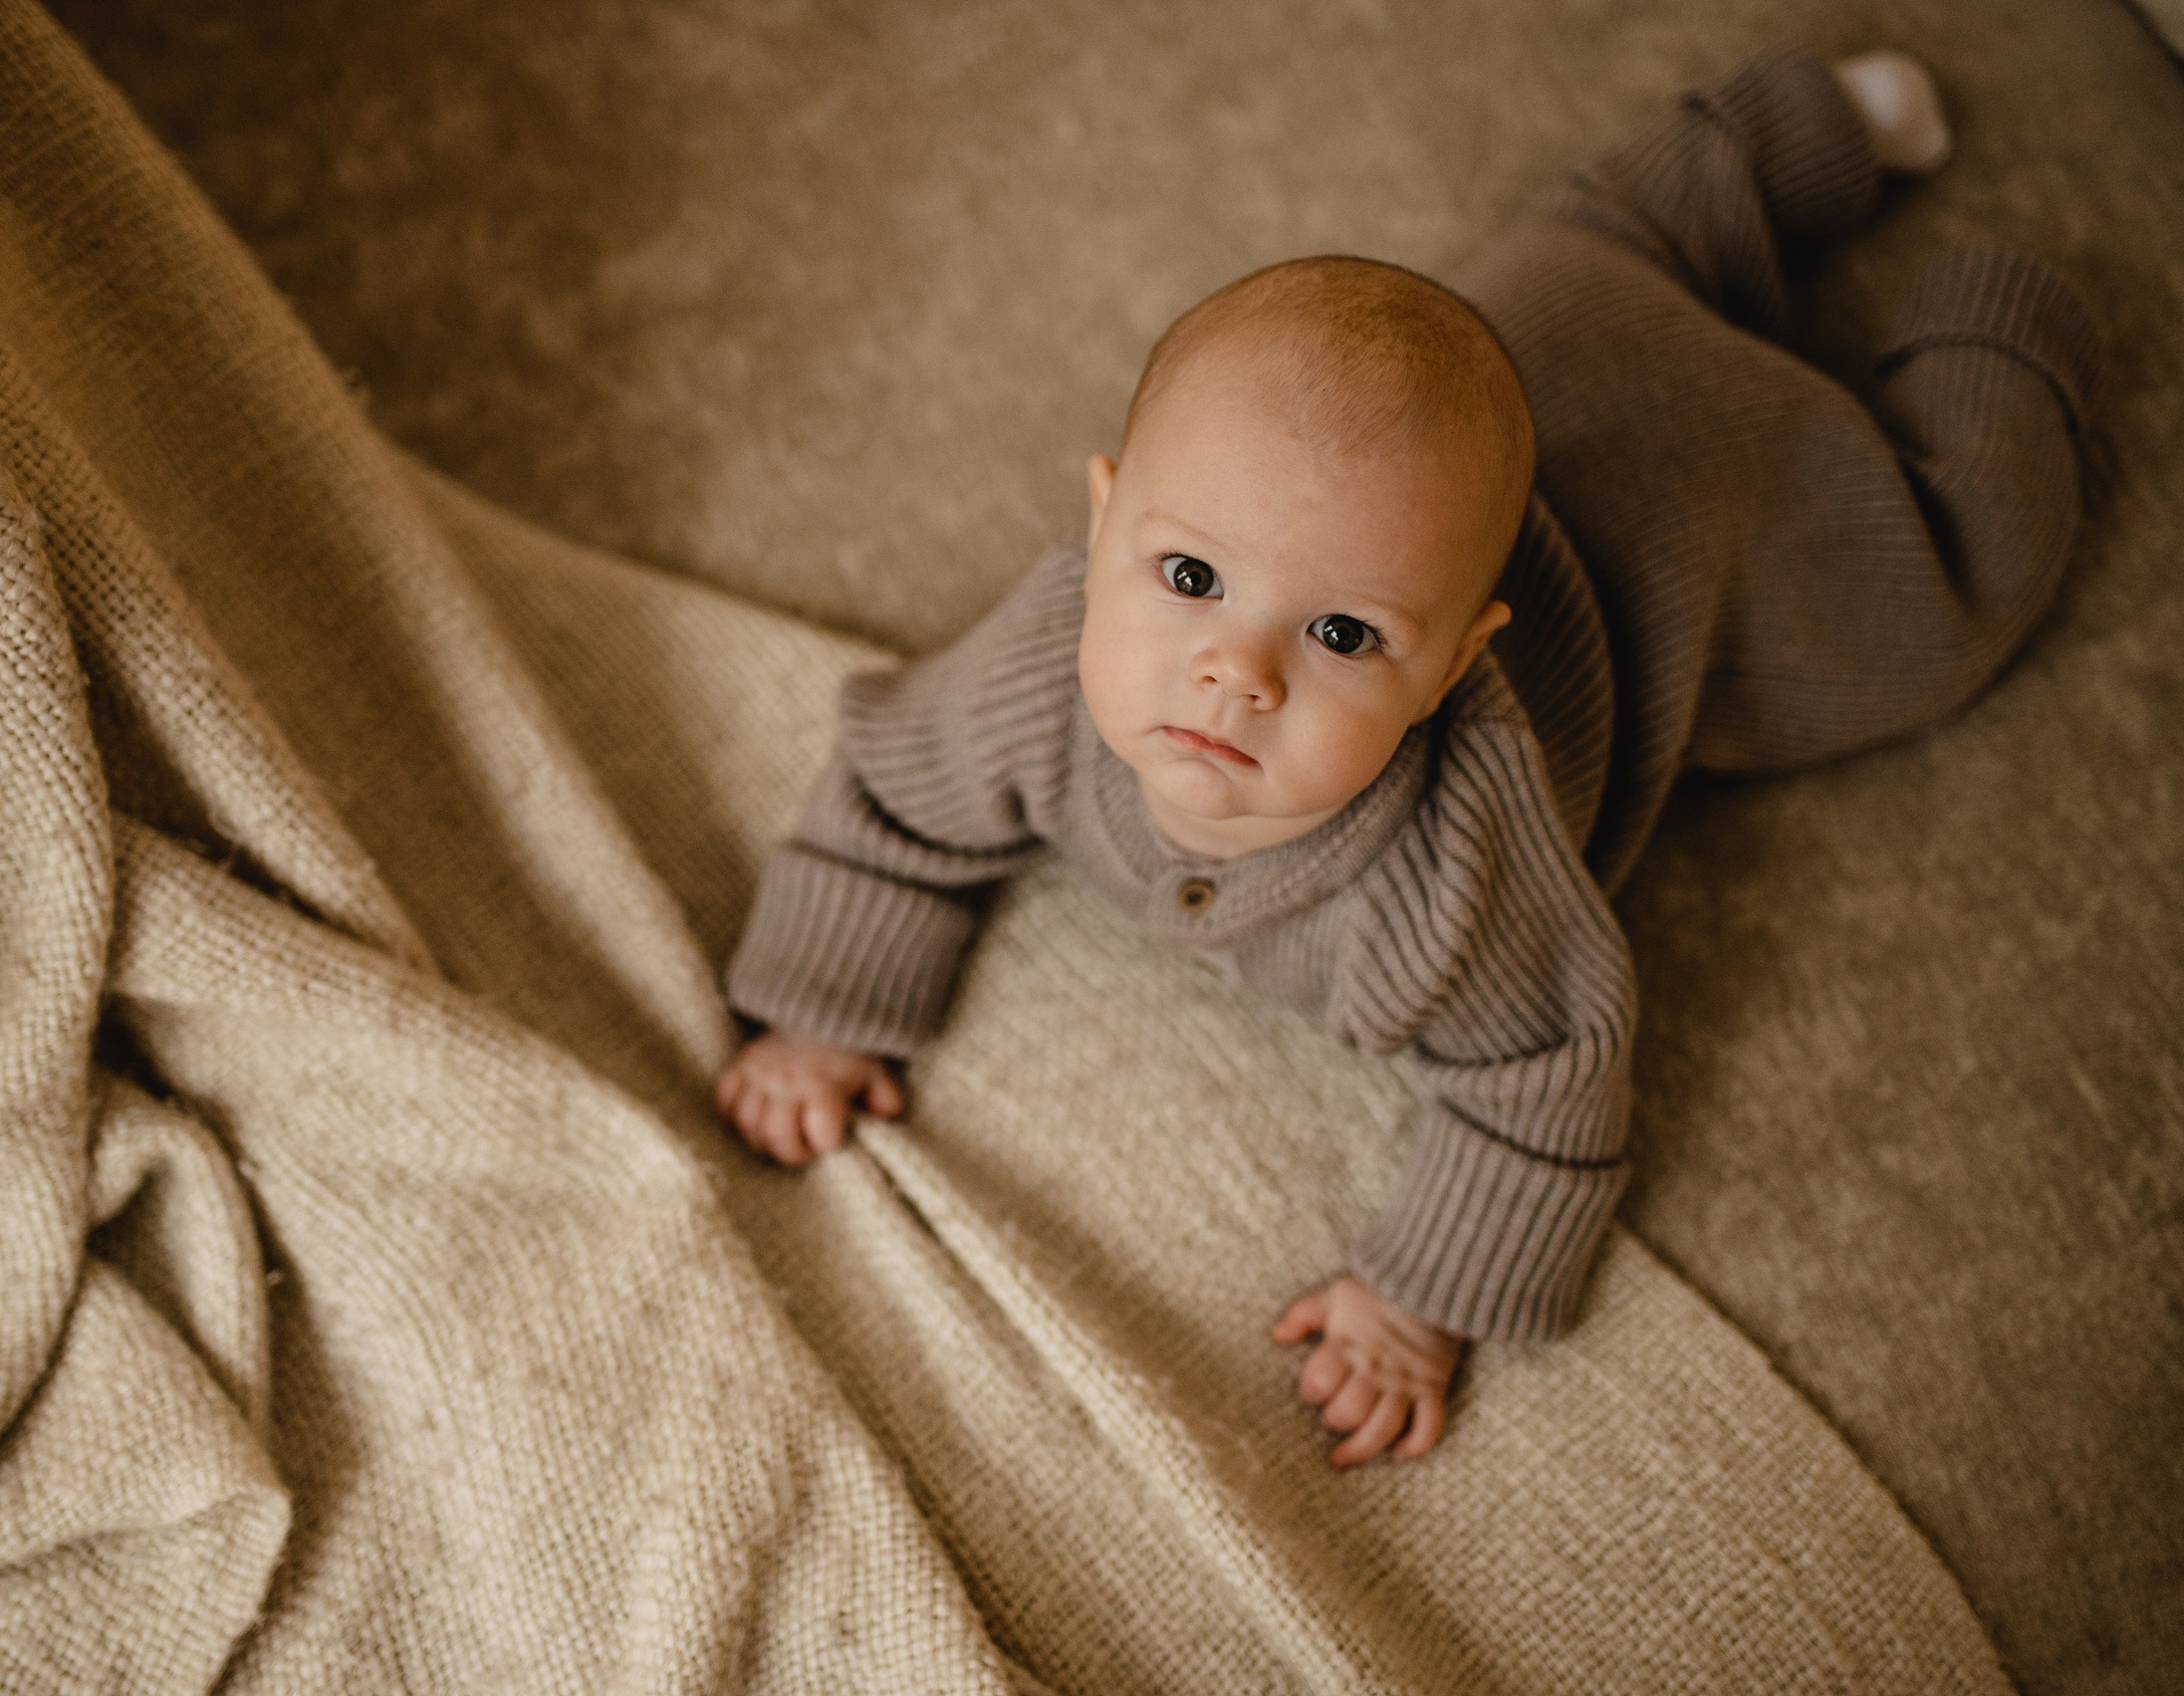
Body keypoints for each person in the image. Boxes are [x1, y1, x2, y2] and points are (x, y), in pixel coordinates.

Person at [712, 44, 2101, 1467]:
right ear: (1108, 519)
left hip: (1708, 508)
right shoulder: (1042, 655)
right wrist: (832, 998)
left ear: (1455, 664)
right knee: (1605, 241)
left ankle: (2007, 333)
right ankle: (1814, 121)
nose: (1235, 672)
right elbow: (901, 784)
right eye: (1187, 577)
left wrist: (1422, 1295)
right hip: (1549, 329)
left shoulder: (1457, 876)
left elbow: (1552, 1066)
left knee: (1939, 596)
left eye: (1342, 637)